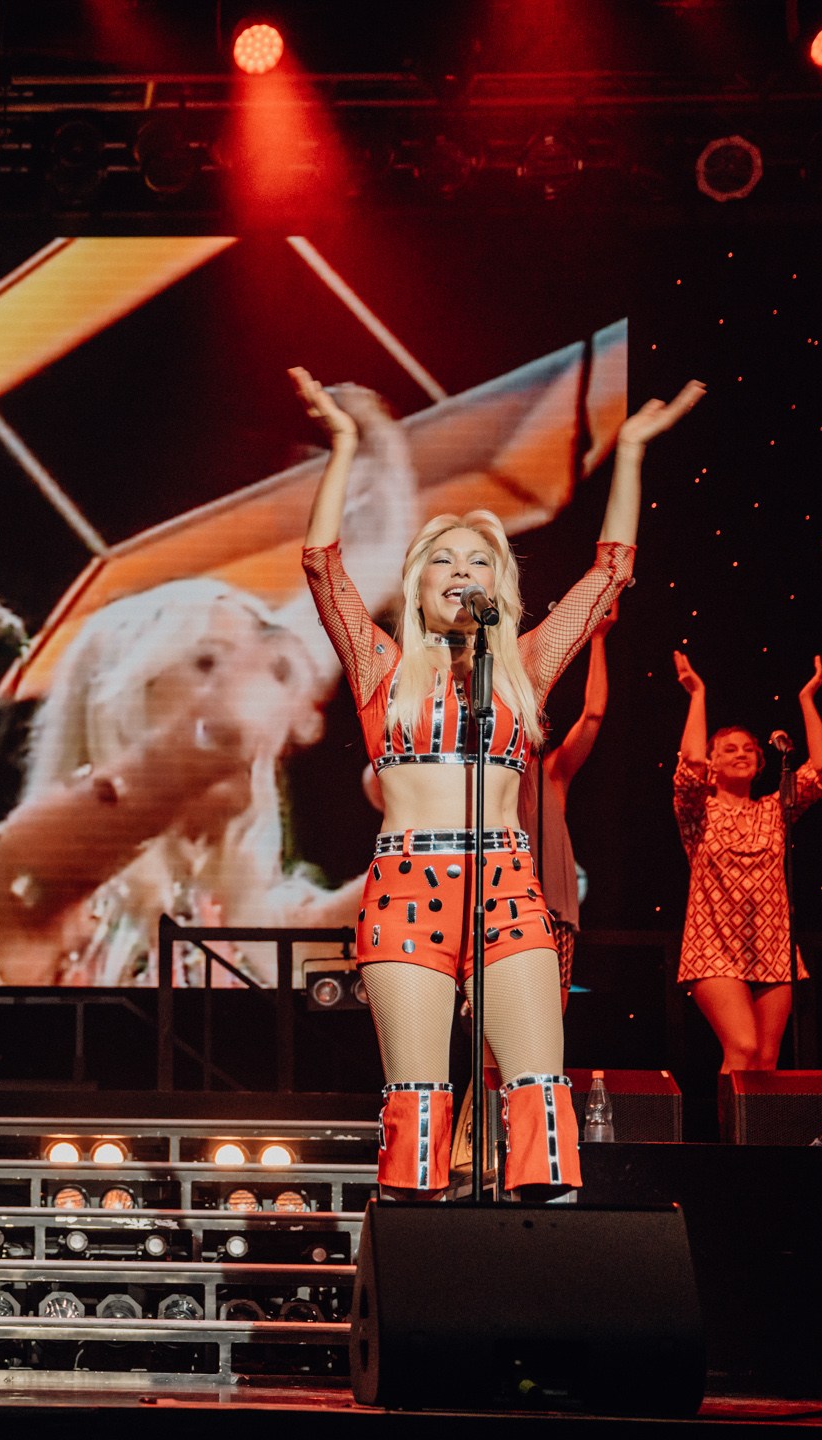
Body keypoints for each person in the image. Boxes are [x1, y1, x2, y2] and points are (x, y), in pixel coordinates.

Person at [300, 363, 703, 1199]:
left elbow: (610, 575)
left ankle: (537, 1256)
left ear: (498, 586)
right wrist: (343, 447)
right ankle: (420, 1241)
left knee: (533, 1084)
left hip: (509, 883)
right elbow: (323, 567)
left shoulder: (521, 666)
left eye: (477, 561)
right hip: (408, 883)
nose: (460, 571)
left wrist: (627, 451)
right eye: (442, 559)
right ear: (417, 585)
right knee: (418, 1095)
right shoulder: (382, 667)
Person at [0, 386, 415, 987]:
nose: (251, 682)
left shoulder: (259, 925)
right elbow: (217, 734)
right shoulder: (19, 873)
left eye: (256, 665)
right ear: (123, 702)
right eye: (208, 663)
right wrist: (335, 596)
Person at [671, 652, 822, 1090]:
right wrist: (697, 694)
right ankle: (729, 1156)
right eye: (729, 749)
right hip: (713, 945)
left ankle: (757, 1151)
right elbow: (688, 765)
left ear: (761, 762)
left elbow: (820, 769)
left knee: (765, 1059)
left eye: (748, 749)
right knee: (741, 1047)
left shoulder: (773, 809)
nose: (741, 754)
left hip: (773, 945)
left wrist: (806, 698)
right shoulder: (696, 810)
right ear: (714, 762)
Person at [520, 603, 617, 1004]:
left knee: (549, 1028)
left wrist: (597, 639)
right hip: (503, 912)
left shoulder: (552, 772)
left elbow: (593, 714)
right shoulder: (484, 772)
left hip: (554, 915)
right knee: (496, 1028)